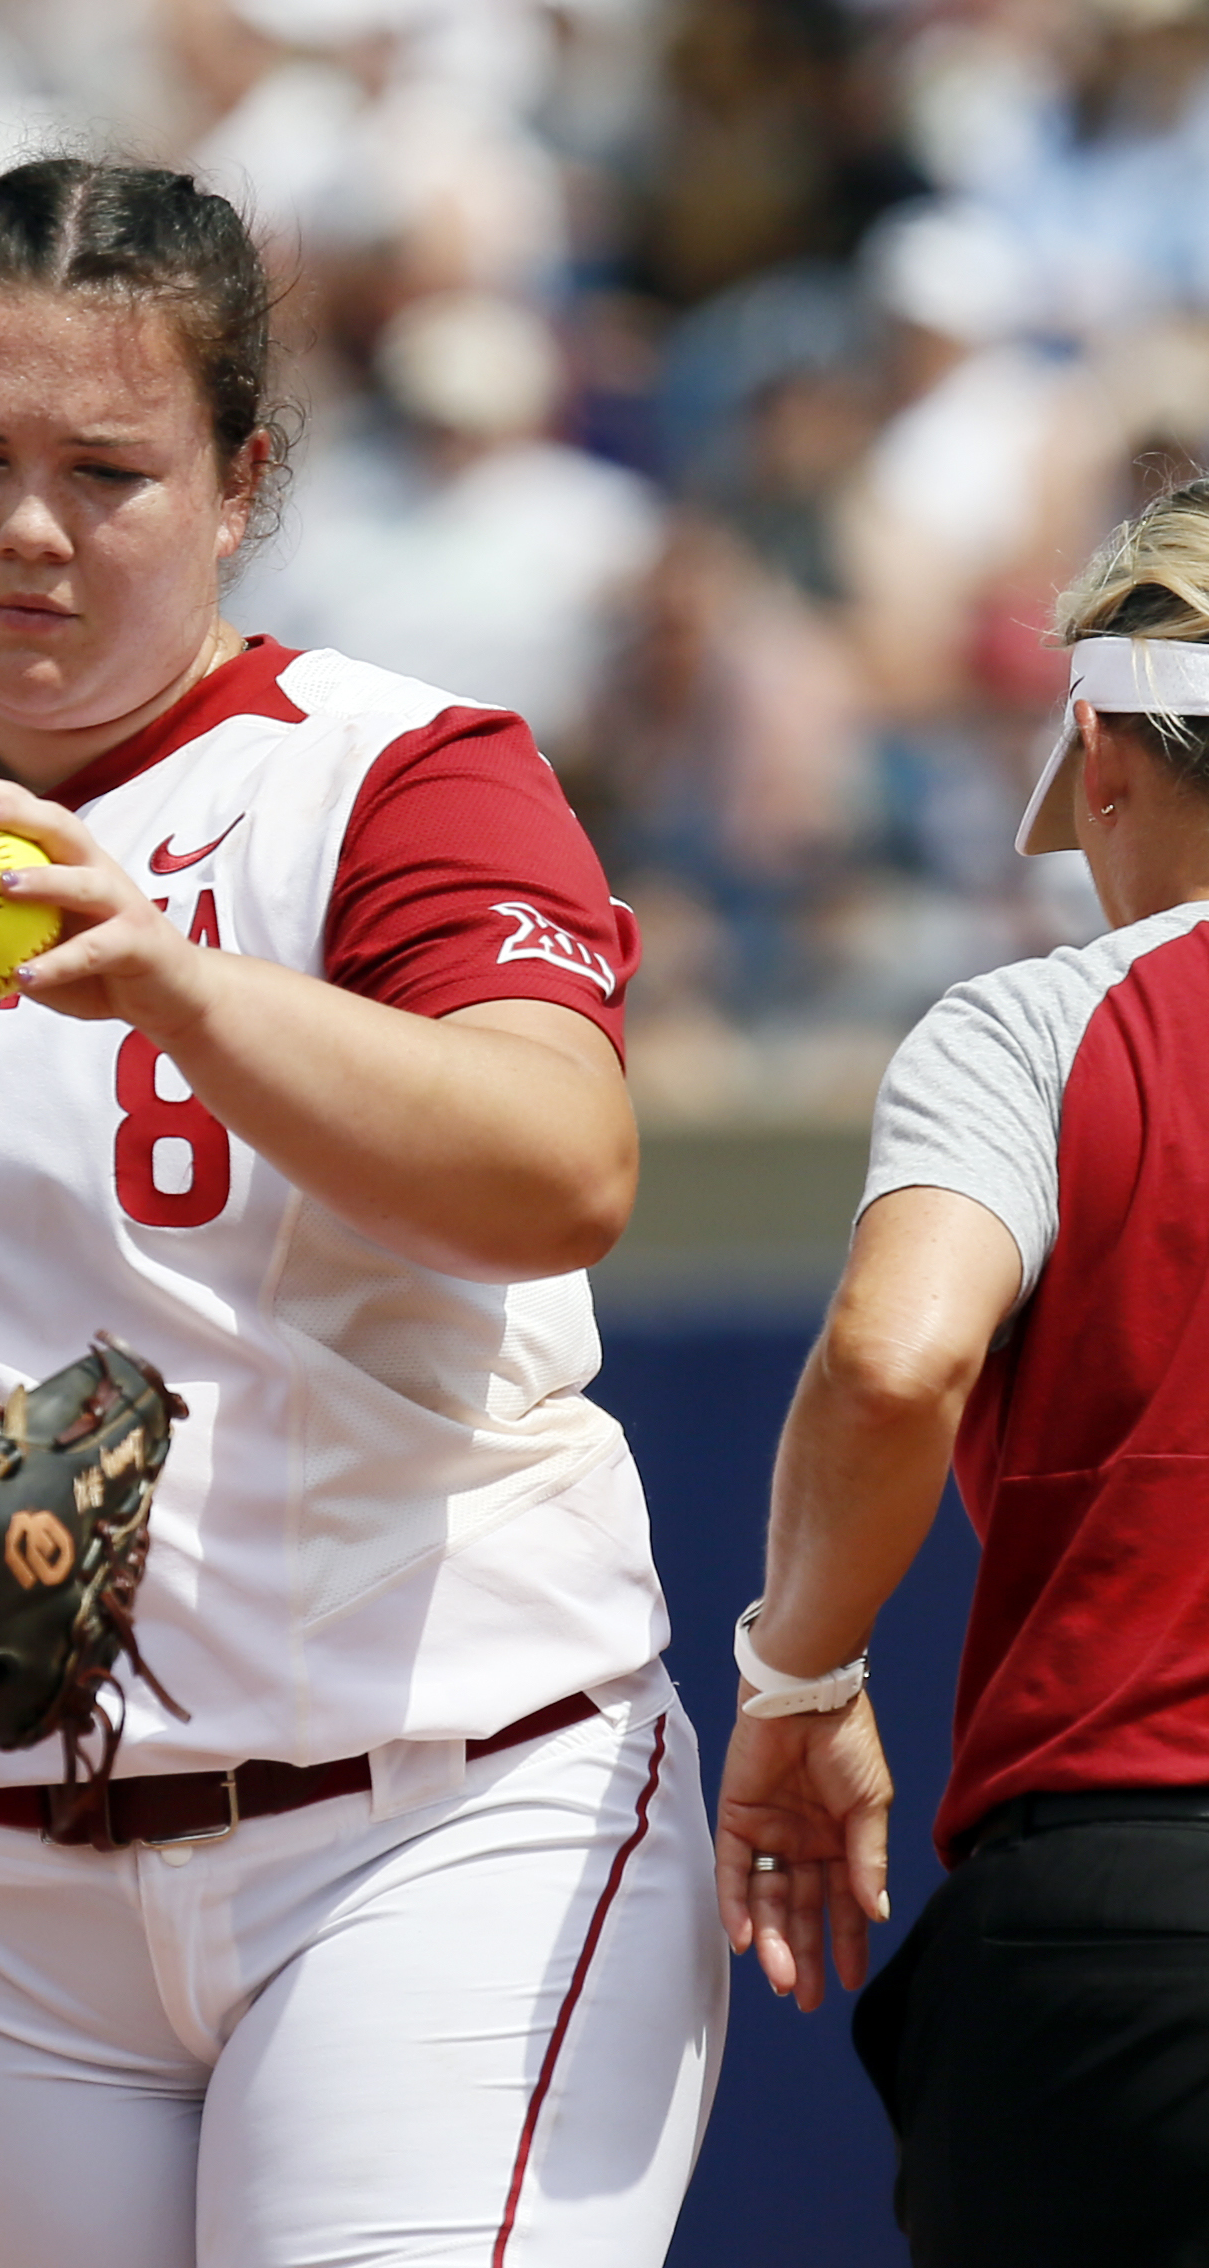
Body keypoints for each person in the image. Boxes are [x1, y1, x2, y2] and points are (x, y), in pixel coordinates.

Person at [0, 159, 727, 2264]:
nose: (27, 526)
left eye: (107, 468)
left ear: (241, 482)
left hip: (432, 1814)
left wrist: (184, 987)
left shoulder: (395, 774)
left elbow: (559, 1169)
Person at [717, 476, 1209, 2263]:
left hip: (1131, 1929)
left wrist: (799, 1678)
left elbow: (891, 1358)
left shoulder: (1041, 1023)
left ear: (1106, 752)